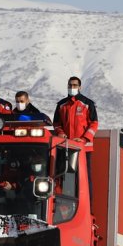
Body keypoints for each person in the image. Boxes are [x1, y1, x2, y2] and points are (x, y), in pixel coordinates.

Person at [52, 76, 99, 207]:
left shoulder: (87, 103)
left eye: (74, 85)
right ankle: (63, 206)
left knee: (84, 178)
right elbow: (56, 123)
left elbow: (94, 124)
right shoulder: (61, 105)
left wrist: (83, 139)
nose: (72, 87)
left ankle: (87, 207)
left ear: (80, 87)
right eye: (70, 85)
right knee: (63, 176)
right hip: (65, 147)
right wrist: (61, 133)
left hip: (84, 148)